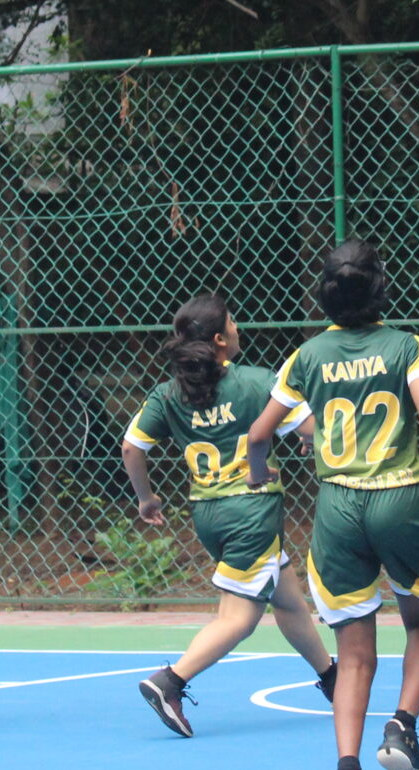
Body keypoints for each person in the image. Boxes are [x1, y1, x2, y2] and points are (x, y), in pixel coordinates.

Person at [245, 240, 419, 770]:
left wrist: (259, 473)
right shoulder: (408, 346)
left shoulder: (306, 356)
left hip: (338, 507)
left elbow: (257, 435)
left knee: (353, 655)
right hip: (400, 497)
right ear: (380, 287)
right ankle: (402, 725)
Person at [122, 293, 337, 737]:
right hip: (250, 512)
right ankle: (171, 680)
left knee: (288, 598)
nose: (239, 327)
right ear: (221, 339)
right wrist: (307, 432)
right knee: (238, 619)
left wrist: (146, 498)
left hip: (208, 513)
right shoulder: (259, 382)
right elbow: (313, 428)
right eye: (233, 322)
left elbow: (132, 448)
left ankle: (331, 678)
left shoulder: (167, 394)